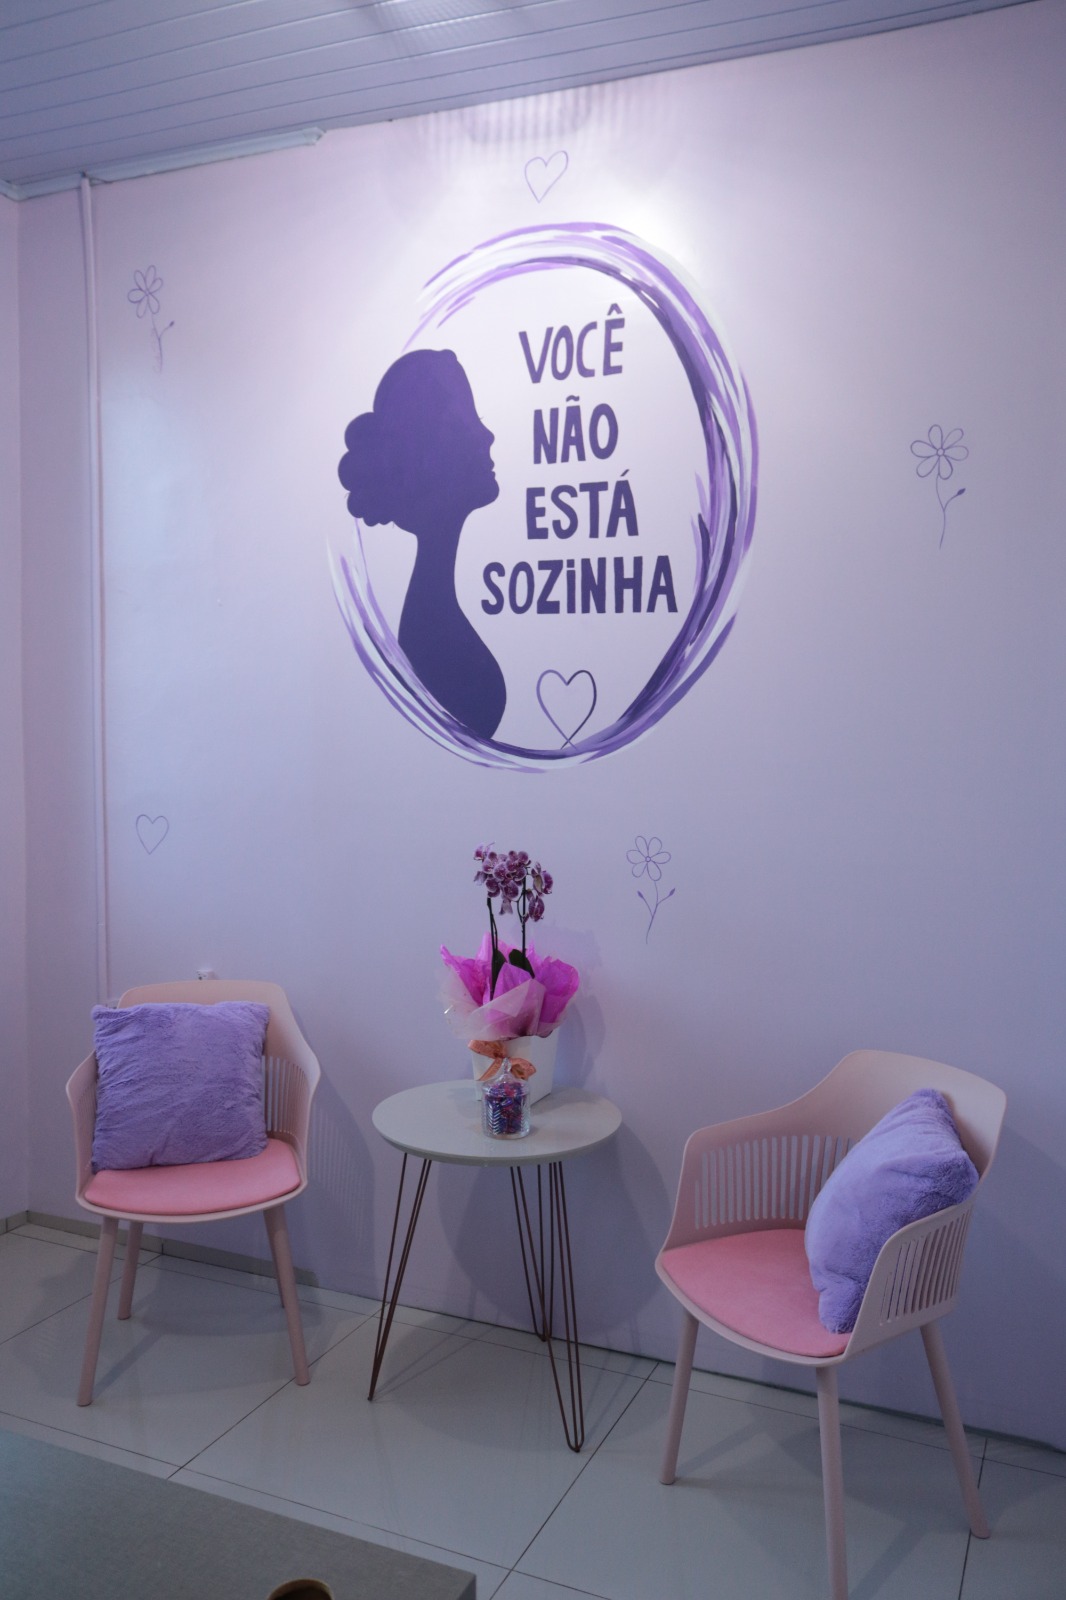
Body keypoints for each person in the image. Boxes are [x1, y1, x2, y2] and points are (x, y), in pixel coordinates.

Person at [338, 349, 506, 740]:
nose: (487, 436)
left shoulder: (429, 619)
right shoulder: (434, 633)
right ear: (427, 458)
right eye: (466, 424)